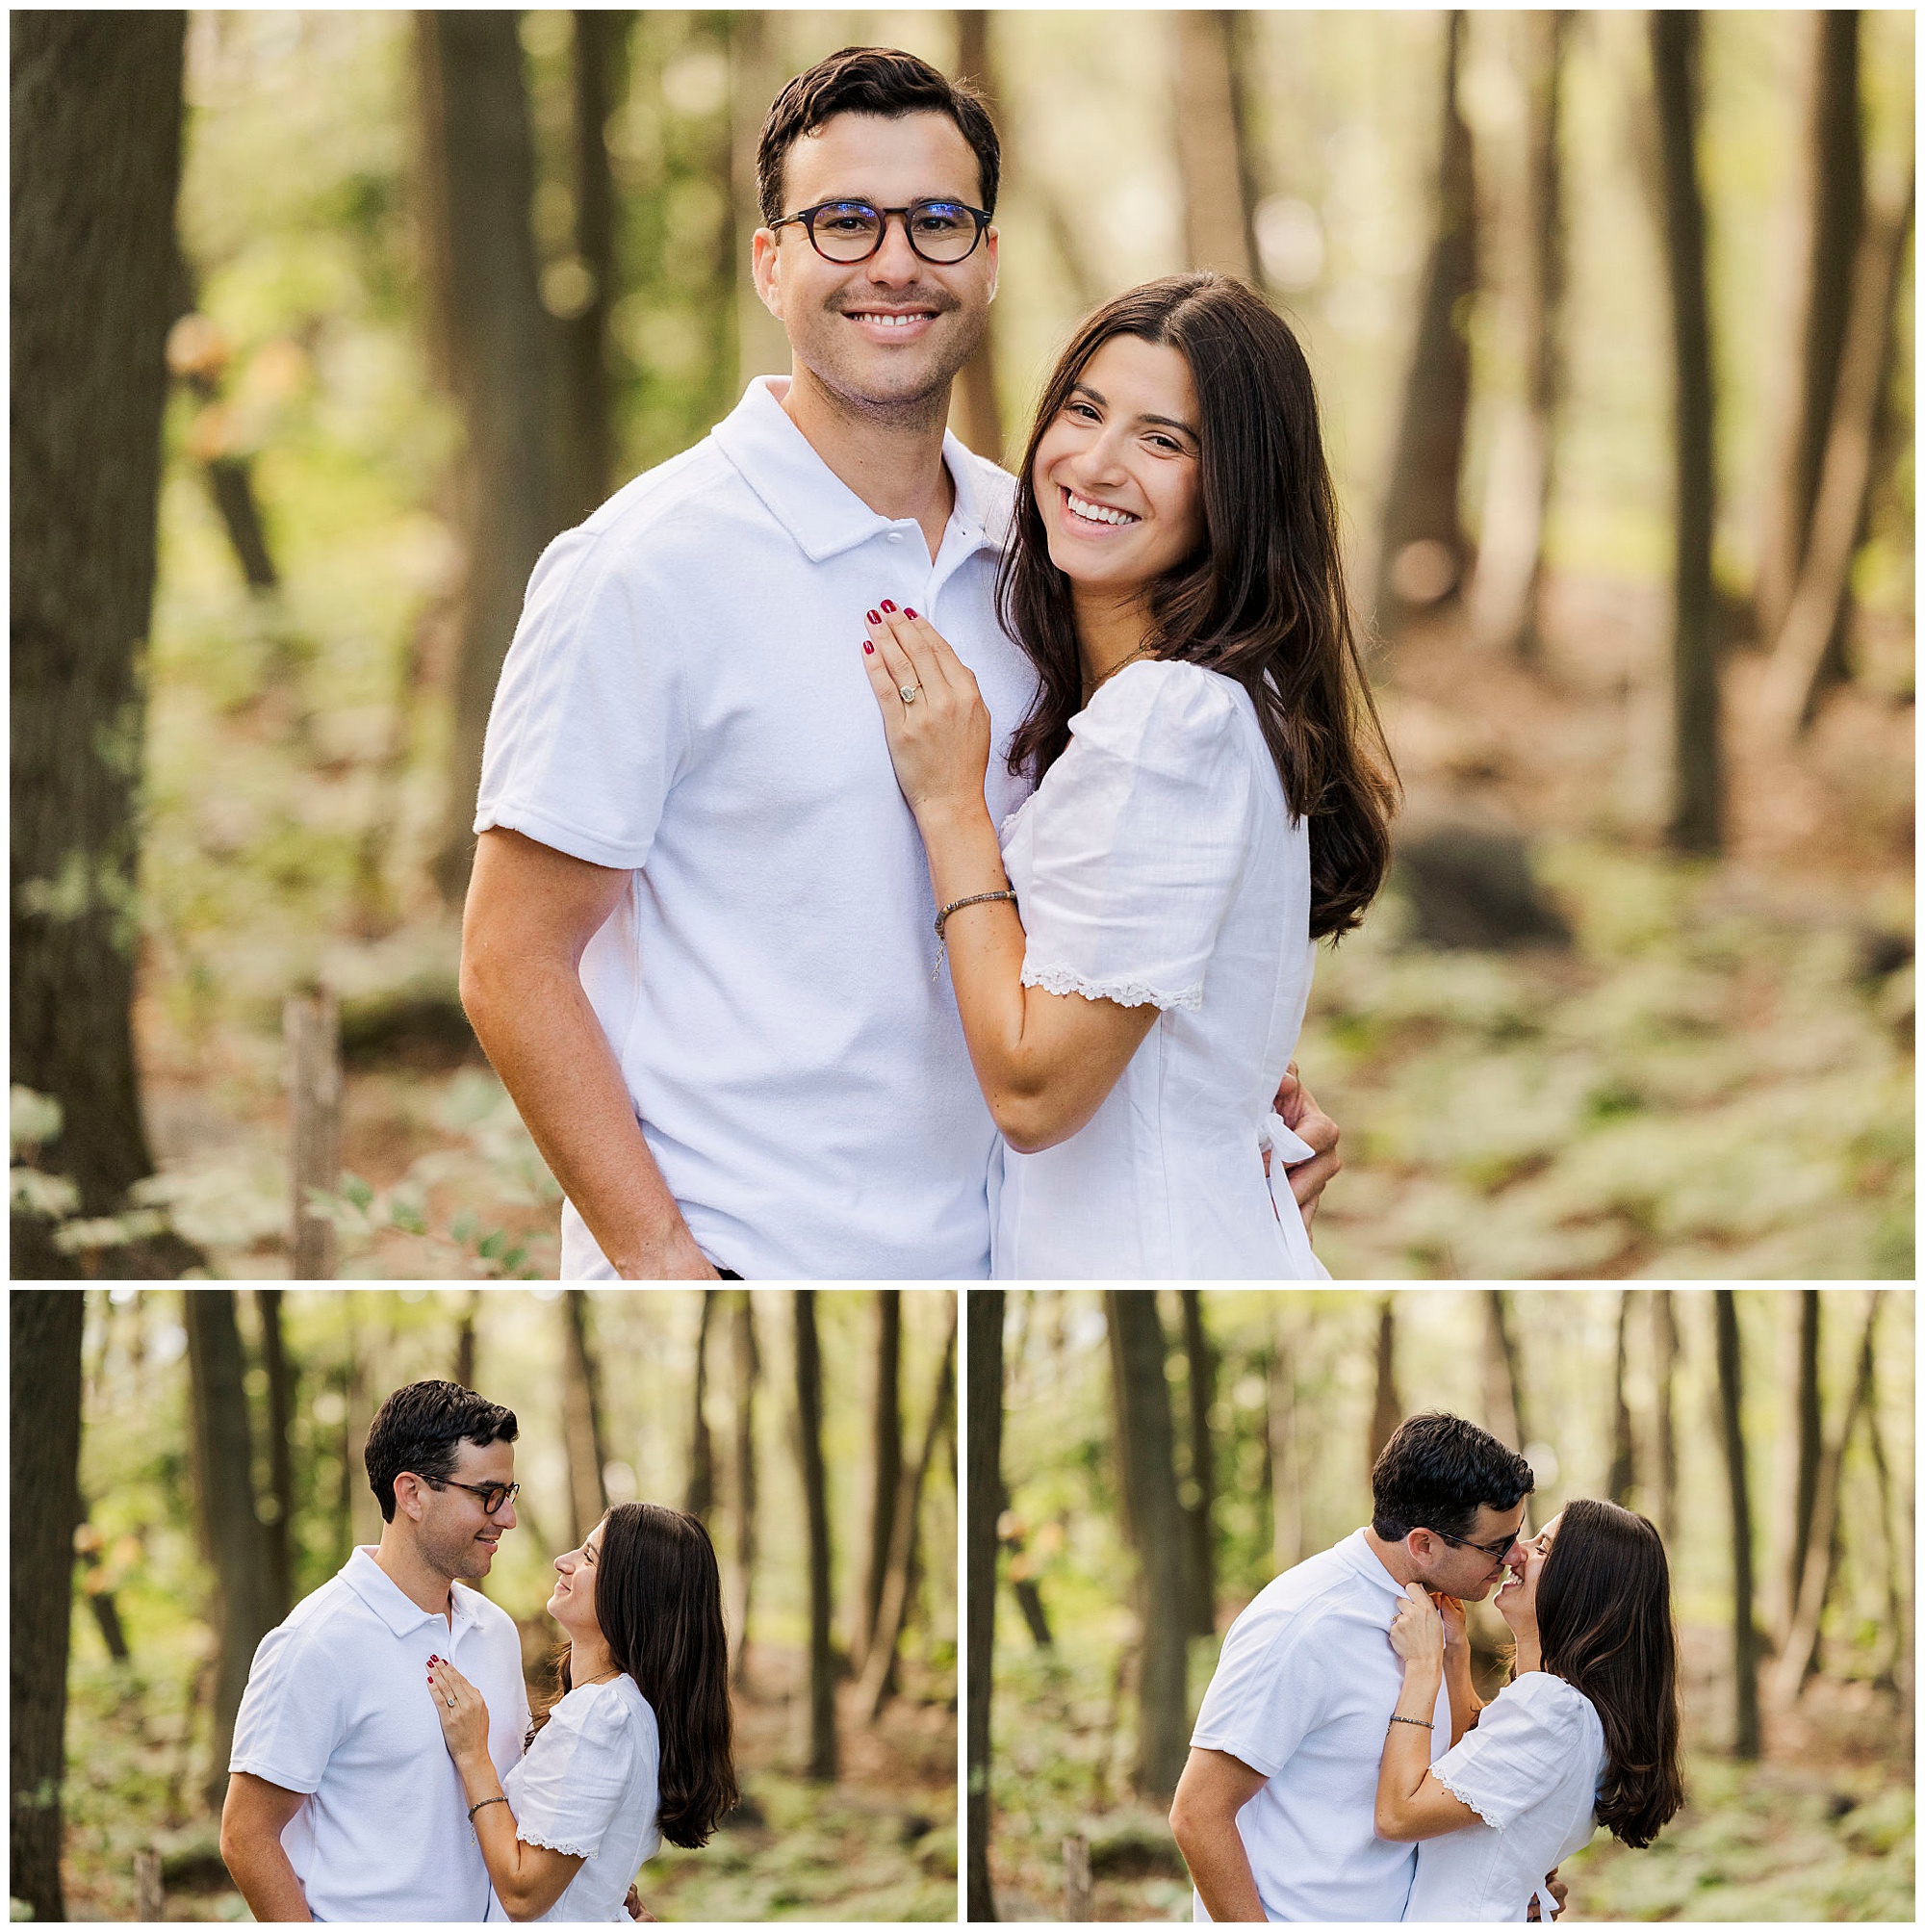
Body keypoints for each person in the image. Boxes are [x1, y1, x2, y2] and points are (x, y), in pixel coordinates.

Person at [460, 45, 1341, 1279]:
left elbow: (1106, 899)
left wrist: (1213, 1091)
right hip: (759, 1258)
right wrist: (660, 1261)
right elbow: (510, 960)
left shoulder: (1039, 558)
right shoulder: (643, 568)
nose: (893, 262)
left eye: (936, 221)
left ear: (985, 258)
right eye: (842, 221)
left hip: (1002, 1258)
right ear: (771, 259)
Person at [860, 273, 1397, 1275]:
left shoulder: (1172, 718)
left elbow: (1033, 1093)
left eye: (1162, 441)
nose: (1094, 464)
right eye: (1083, 410)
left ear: (1235, 487)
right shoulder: (1226, 698)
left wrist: (950, 805)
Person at [1169, 1413, 1539, 1921]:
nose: (1515, 1557)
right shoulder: (1303, 1625)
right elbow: (1198, 1813)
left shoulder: (1436, 1617)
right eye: (1496, 1545)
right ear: (1424, 1544)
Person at [220, 1382, 532, 1922]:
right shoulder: (315, 1644)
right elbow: (246, 1836)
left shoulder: (496, 1632)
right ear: (411, 1493)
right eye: (487, 1494)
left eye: (510, 1493)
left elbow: (518, 1799)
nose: (506, 1517)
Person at [425, 1503, 737, 1922]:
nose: (563, 1561)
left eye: (589, 1557)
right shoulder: (628, 1709)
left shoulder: (601, 1716)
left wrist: (472, 1756)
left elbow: (523, 1895)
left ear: (631, 1594)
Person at [1381, 1499, 1684, 1922]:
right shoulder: (1583, 1715)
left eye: (1542, 1548)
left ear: (1581, 1587)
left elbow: (1398, 1815)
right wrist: (1454, 1655)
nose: (1513, 1552)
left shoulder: (1552, 1710)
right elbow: (1461, 1777)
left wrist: (1423, 1665)